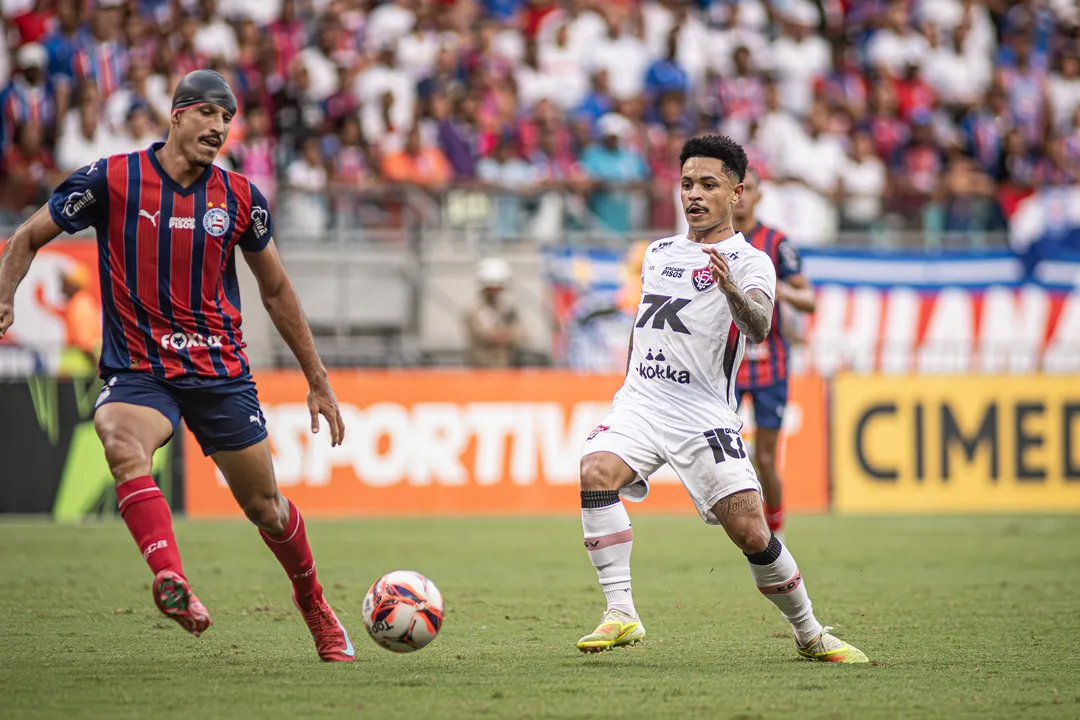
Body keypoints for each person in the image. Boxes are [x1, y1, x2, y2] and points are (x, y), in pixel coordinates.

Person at [0, 70, 355, 662]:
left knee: (265, 506)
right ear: (177, 114)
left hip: (219, 373)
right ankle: (173, 580)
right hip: (140, 368)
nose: (219, 128)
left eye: (227, 119)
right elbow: (24, 238)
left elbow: (276, 291)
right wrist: (6, 296)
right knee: (118, 439)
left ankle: (314, 602)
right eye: (209, 115)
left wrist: (317, 379)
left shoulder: (241, 198)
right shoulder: (112, 179)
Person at [575, 135, 867, 663]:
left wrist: (731, 290)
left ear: (736, 193)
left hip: (701, 413)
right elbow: (646, 329)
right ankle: (621, 613)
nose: (695, 194)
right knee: (595, 470)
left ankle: (809, 632)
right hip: (641, 401)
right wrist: (627, 390)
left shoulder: (752, 261)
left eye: (709, 185)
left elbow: (758, 326)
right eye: (687, 183)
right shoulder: (659, 252)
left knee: (751, 529)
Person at [732, 168, 816, 538]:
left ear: (759, 196)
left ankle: (776, 536)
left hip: (771, 362)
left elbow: (809, 299)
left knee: (766, 458)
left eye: (749, 189)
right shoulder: (711, 241)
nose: (743, 196)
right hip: (726, 363)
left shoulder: (776, 242)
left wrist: (776, 289)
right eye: (738, 190)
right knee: (723, 451)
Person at [464, 257, 525, 368]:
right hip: (483, 367)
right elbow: (485, 336)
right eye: (492, 288)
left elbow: (523, 335)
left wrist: (508, 335)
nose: (496, 292)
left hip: (507, 367)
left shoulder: (506, 309)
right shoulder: (475, 309)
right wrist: (506, 335)